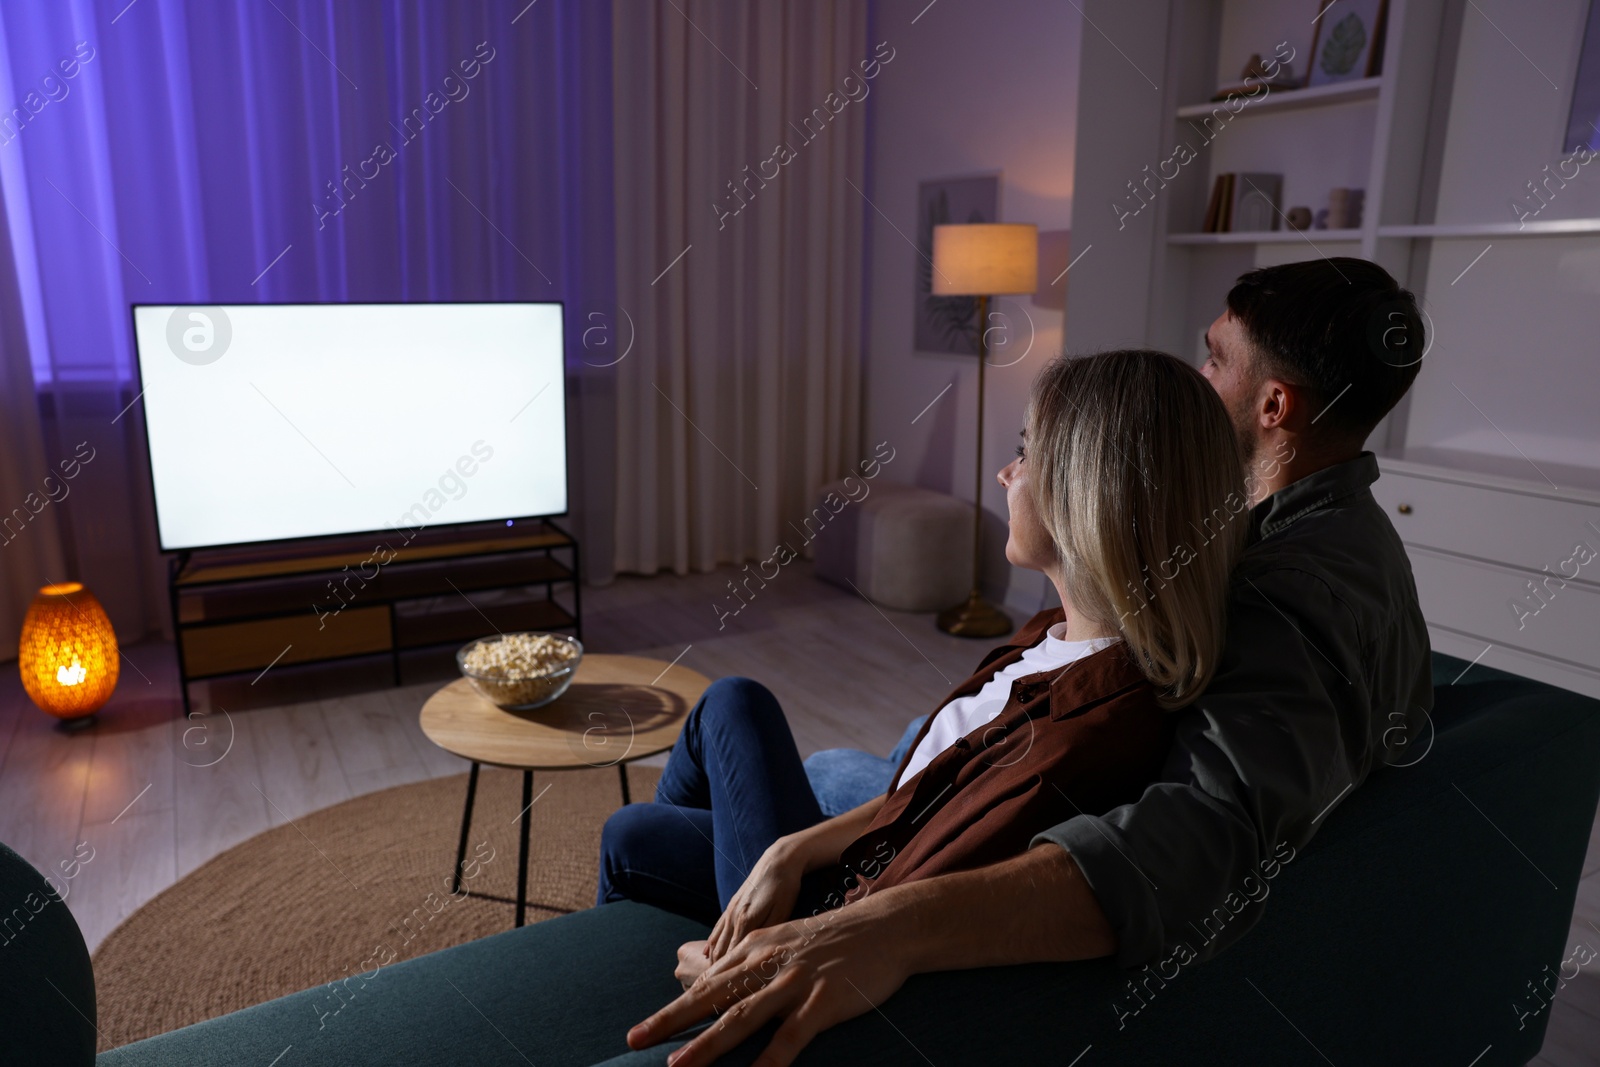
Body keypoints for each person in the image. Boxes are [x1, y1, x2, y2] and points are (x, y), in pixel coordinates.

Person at [621, 256, 1432, 1067]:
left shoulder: (1280, 591)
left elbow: (1201, 839)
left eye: (1215, 358)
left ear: (1274, 405)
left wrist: (881, 926)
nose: (1195, 374)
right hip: (946, 779)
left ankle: (664, 976)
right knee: (739, 790)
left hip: (941, 825)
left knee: (733, 750)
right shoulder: (1346, 538)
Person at [602, 349, 1246, 1052]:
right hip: (854, 864)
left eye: (1024, 451)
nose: (1005, 471)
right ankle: (656, 960)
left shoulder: (1083, 733)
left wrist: (748, 966)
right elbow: (927, 797)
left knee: (716, 722)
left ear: (1085, 491)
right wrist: (791, 847)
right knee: (642, 819)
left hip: (838, 917)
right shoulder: (1051, 636)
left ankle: (651, 1004)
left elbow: (889, 915)